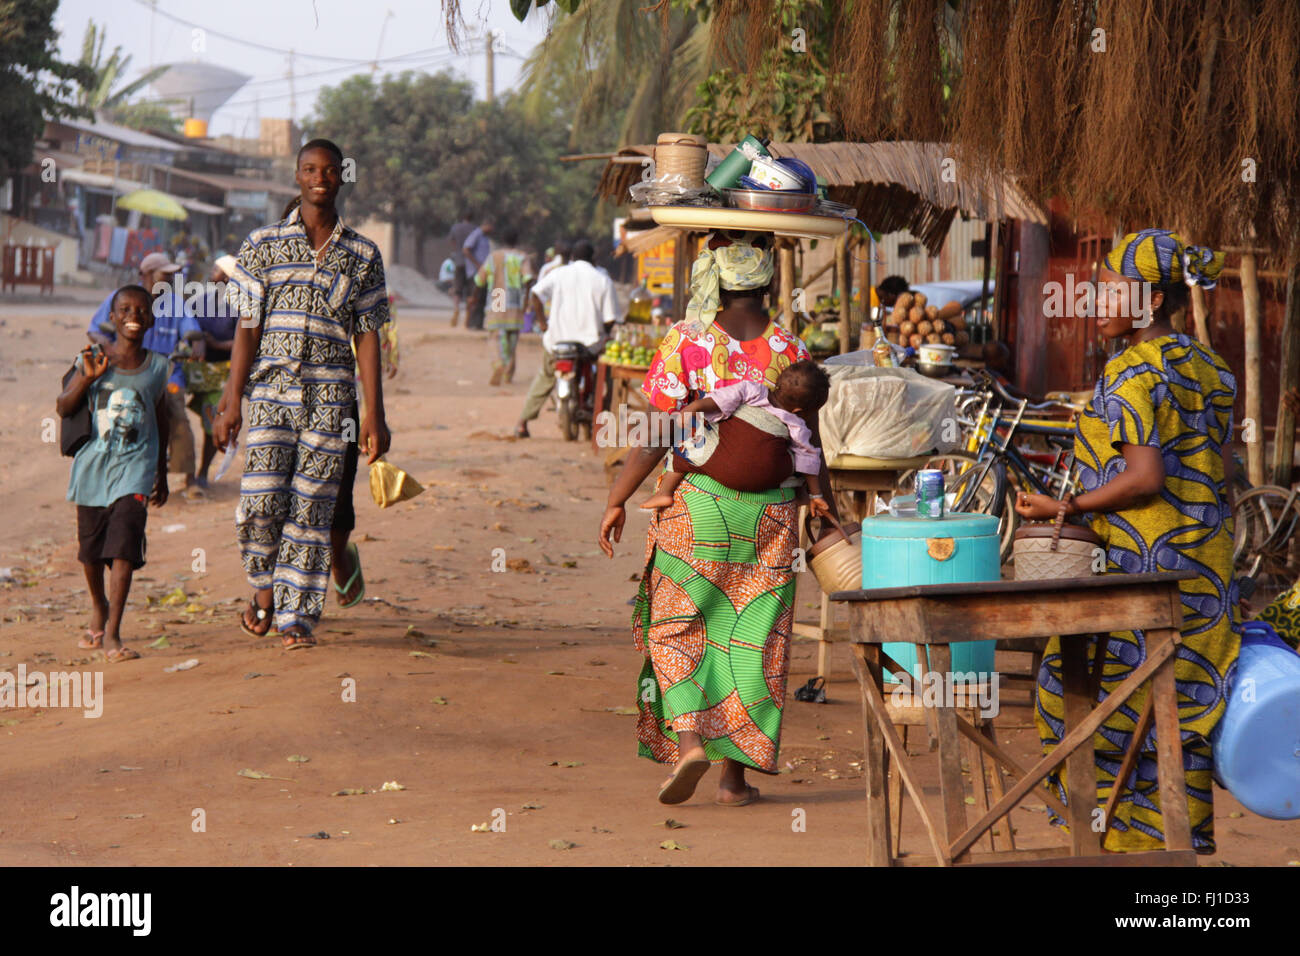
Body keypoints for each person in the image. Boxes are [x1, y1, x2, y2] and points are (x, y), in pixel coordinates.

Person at [1013, 228, 1239, 853]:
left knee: (1074, 693)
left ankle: (1113, 849)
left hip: (1140, 570)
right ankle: (1176, 861)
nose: (1096, 305)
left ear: (1149, 299)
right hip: (1205, 568)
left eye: (1110, 293)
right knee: (1177, 713)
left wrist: (1068, 505)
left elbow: (1145, 477)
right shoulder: (1209, 368)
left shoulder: (1130, 374)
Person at [598, 231, 840, 807]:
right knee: (753, 639)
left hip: (699, 507)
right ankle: (734, 780)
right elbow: (812, 447)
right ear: (768, 286)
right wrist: (823, 512)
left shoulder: (685, 340)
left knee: (678, 627)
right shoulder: (792, 349)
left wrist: (617, 497)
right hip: (772, 518)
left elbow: (659, 430)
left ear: (716, 282)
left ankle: (689, 746)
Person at [213, 138, 391, 650]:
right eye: (310, 169)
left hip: (333, 404)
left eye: (330, 170)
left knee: (313, 510)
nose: (320, 177)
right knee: (261, 501)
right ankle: (264, 590)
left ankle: (297, 618)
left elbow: (368, 335)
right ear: (297, 176)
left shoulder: (362, 254)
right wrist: (231, 402)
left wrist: (374, 416)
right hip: (271, 396)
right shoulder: (262, 244)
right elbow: (247, 327)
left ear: (341, 177)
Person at [59, 285, 171, 663]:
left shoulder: (158, 366)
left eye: (141, 310)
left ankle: (113, 634)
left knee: (123, 546)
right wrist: (88, 378)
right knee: (90, 553)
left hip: (136, 468)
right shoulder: (91, 356)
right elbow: (63, 407)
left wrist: (162, 471)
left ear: (151, 318)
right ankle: (98, 607)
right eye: (125, 309)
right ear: (112, 316)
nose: (133, 316)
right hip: (92, 467)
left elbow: (163, 416)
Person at [640, 360, 834, 516]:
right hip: (764, 480)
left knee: (685, 448)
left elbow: (722, 399)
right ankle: (800, 495)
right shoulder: (797, 424)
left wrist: (695, 407)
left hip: (721, 466)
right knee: (799, 464)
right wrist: (816, 494)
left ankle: (664, 492)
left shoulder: (753, 390)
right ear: (800, 411)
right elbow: (809, 458)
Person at [87, 251, 204, 498]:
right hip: (127, 371)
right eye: (165, 274)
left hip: (167, 373)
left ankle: (189, 478)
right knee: (110, 414)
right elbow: (95, 330)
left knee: (178, 416)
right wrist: (109, 349)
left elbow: (192, 331)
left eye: (173, 275)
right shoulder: (121, 298)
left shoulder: (176, 303)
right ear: (147, 275)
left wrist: (196, 347)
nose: (171, 279)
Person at [515, 239, 617, 438]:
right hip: (589, 345)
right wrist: (603, 334)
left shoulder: (559, 273)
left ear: (572, 257)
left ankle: (522, 422)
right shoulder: (602, 278)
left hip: (557, 341)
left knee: (545, 377)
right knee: (604, 376)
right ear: (593, 258)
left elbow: (535, 295)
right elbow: (611, 318)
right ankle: (601, 420)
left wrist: (543, 324)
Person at [186, 254, 239, 485]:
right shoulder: (201, 300)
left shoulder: (238, 305)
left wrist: (215, 344)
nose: (212, 271)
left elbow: (243, 342)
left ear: (227, 278)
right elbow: (187, 327)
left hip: (221, 372)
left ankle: (202, 473)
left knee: (213, 420)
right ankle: (182, 468)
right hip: (196, 368)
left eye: (217, 268)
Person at [475, 226, 535, 386]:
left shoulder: (493, 257)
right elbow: (528, 278)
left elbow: (479, 280)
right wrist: (526, 299)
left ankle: (497, 363)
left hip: (498, 295)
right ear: (517, 241)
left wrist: (474, 297)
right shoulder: (522, 257)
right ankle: (508, 372)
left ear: (503, 240)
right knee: (512, 336)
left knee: (495, 335)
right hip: (515, 297)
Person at [462, 219, 494, 331]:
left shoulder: (485, 237)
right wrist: (477, 264)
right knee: (475, 297)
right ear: (486, 225)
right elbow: (466, 250)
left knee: (482, 298)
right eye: (491, 227)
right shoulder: (476, 234)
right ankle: (471, 323)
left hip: (483, 273)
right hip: (475, 273)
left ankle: (478, 323)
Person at [447, 211, 476, 327]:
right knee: (471, 291)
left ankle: (456, 309)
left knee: (457, 288)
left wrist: (457, 250)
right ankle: (468, 315)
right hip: (471, 264)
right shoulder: (475, 229)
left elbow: (451, 241)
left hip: (458, 261)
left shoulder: (456, 227)